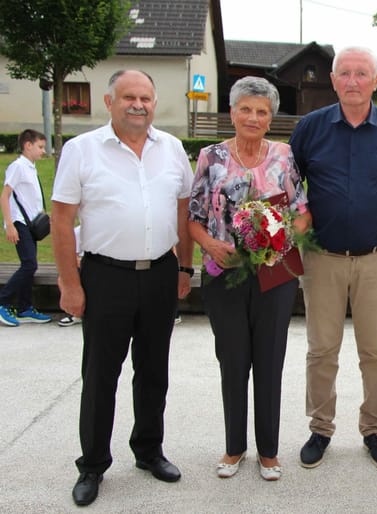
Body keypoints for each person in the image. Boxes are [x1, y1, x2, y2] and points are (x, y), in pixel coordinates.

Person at [51, 69, 194, 506]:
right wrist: (70, 284)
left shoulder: (171, 149)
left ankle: (149, 451)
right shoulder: (81, 150)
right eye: (128, 96)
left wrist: (184, 269)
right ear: (109, 101)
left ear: (155, 102)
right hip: (104, 276)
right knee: (100, 375)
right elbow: (61, 219)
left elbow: (184, 209)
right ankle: (92, 465)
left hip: (159, 275)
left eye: (146, 97)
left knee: (153, 372)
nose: (138, 104)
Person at [289, 46, 377, 469]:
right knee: (322, 349)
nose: (354, 81)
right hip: (321, 257)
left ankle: (374, 428)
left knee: (375, 351)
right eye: (345, 73)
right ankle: (320, 428)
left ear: (376, 81)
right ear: (333, 78)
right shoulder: (310, 127)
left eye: (363, 73)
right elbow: (290, 186)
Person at [188, 76, 311, 482]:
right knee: (233, 360)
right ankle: (234, 447)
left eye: (261, 111)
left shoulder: (285, 155)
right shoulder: (211, 156)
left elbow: (302, 209)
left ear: (271, 116)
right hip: (225, 275)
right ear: (232, 112)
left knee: (270, 361)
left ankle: (269, 451)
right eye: (246, 109)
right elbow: (194, 219)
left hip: (275, 273)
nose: (253, 117)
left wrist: (284, 231)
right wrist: (210, 245)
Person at [0, 129, 52, 327]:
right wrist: (10, 225)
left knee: (30, 265)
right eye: (40, 146)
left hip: (30, 224)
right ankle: (3, 302)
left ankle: (24, 307)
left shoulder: (30, 167)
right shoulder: (18, 166)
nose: (43, 151)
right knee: (29, 264)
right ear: (27, 145)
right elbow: (4, 196)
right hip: (19, 223)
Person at [57, 225, 83, 327]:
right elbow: (71, 257)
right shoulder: (77, 232)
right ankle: (76, 315)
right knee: (62, 280)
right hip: (84, 266)